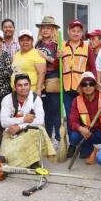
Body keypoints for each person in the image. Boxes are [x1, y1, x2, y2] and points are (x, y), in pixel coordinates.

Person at [0, 74, 50, 168]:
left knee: (38, 130)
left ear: (30, 85)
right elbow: (3, 122)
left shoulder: (36, 99)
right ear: (15, 87)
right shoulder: (7, 99)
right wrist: (24, 119)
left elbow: (40, 121)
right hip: (11, 132)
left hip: (28, 131)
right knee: (7, 160)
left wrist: (19, 126)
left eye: (26, 84)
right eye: (19, 85)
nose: (23, 88)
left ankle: (33, 161)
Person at [60, 20, 97, 139]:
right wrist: (57, 58)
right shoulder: (62, 46)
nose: (76, 33)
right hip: (66, 87)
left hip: (82, 88)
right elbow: (57, 66)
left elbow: (92, 67)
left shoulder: (87, 47)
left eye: (79, 31)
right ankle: (73, 142)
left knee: (82, 115)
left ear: (82, 33)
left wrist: (93, 85)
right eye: (73, 31)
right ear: (68, 31)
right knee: (71, 116)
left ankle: (85, 143)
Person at [68, 72, 101, 164]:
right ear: (81, 87)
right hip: (88, 133)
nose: (88, 87)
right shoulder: (76, 100)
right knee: (74, 137)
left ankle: (99, 151)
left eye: (91, 84)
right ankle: (91, 149)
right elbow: (73, 121)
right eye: (84, 84)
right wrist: (81, 128)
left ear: (95, 86)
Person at [35, 16, 61, 146]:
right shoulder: (37, 44)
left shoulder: (57, 45)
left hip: (53, 78)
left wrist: (46, 57)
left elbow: (59, 64)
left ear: (53, 30)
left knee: (55, 109)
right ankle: (47, 137)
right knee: (45, 110)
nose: (45, 30)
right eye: (43, 27)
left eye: (48, 28)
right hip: (41, 80)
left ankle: (58, 137)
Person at [12, 29, 46, 96]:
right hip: (17, 92)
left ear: (32, 41)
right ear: (19, 42)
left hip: (32, 91)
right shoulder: (16, 54)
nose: (25, 42)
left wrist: (38, 89)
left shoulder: (37, 53)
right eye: (22, 40)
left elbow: (42, 73)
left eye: (28, 40)